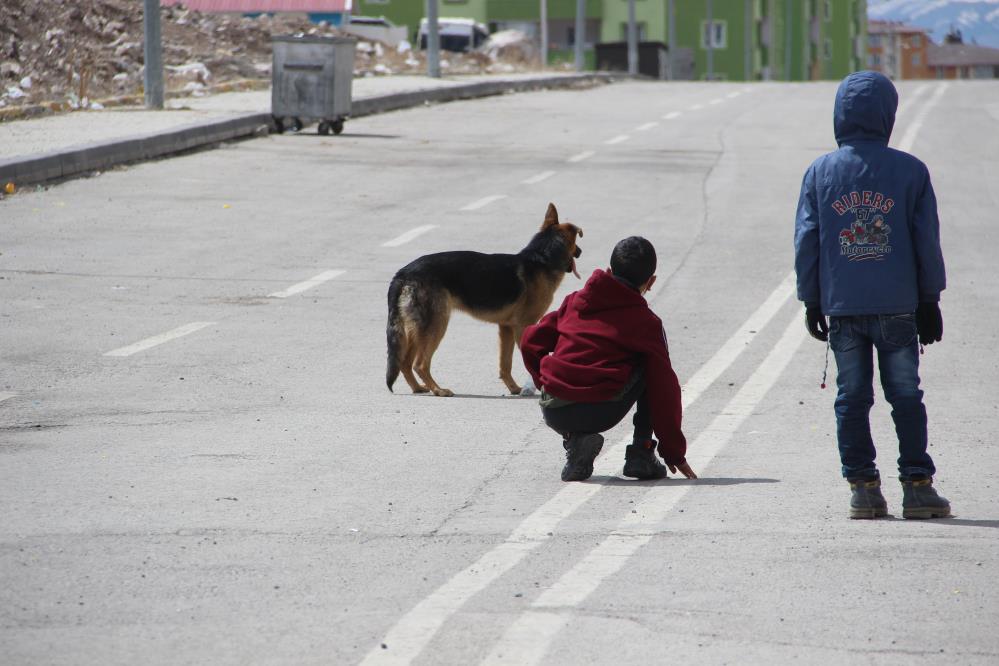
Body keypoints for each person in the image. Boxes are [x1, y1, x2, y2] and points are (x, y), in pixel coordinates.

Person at [794, 70, 950, 519]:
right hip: (899, 305)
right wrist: (930, 299)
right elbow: (926, 240)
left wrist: (811, 299)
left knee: (851, 397)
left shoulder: (820, 171)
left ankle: (864, 488)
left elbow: (808, 239)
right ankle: (917, 485)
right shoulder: (911, 171)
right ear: (887, 114)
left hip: (843, 307)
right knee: (905, 394)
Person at [520, 236, 696, 482]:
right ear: (651, 282)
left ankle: (576, 442)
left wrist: (546, 384)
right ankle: (641, 454)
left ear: (610, 271)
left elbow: (529, 340)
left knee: (647, 365)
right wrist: (674, 453)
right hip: (600, 412)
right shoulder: (646, 323)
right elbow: (665, 389)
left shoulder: (574, 302)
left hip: (554, 410)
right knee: (652, 368)